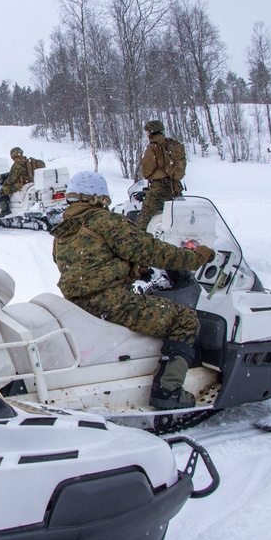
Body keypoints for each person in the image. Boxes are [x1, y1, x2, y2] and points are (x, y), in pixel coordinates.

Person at [50, 171, 214, 410]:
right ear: (98, 196)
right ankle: (168, 390)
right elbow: (153, 251)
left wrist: (131, 271)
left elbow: (85, 266)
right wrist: (195, 257)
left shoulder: (65, 231)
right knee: (185, 319)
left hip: (77, 304)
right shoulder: (106, 221)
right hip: (110, 302)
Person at [136, 120, 184, 229]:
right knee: (177, 218)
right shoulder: (172, 145)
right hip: (175, 187)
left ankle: (140, 242)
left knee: (144, 219)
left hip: (159, 189)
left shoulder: (153, 147)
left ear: (150, 133)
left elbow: (146, 171)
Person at [0, 146, 45, 217]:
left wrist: (5, 184)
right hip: (32, 183)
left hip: (21, 185)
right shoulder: (28, 161)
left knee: (2, 191)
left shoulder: (17, 165)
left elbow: (12, 179)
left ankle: (5, 210)